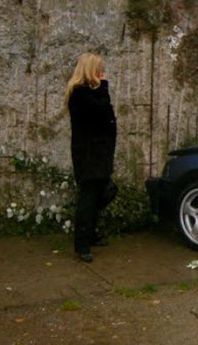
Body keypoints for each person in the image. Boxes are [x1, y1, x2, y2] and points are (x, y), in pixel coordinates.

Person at [65, 52, 117, 263]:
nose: (103, 74)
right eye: (100, 70)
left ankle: (91, 232)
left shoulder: (90, 93)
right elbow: (101, 110)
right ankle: (82, 244)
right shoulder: (80, 94)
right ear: (90, 71)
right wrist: (104, 87)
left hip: (100, 153)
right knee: (88, 197)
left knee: (106, 191)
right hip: (89, 155)